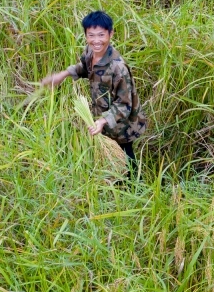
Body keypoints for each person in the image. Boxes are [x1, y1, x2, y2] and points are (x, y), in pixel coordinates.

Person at [40, 11, 148, 173]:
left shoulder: (118, 68)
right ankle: (110, 179)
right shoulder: (90, 52)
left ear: (110, 34)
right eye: (91, 35)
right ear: (85, 35)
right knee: (107, 153)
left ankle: (134, 185)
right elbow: (84, 67)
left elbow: (124, 105)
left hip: (123, 124)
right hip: (101, 115)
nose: (96, 41)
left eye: (101, 35)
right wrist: (64, 74)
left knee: (125, 154)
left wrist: (103, 121)